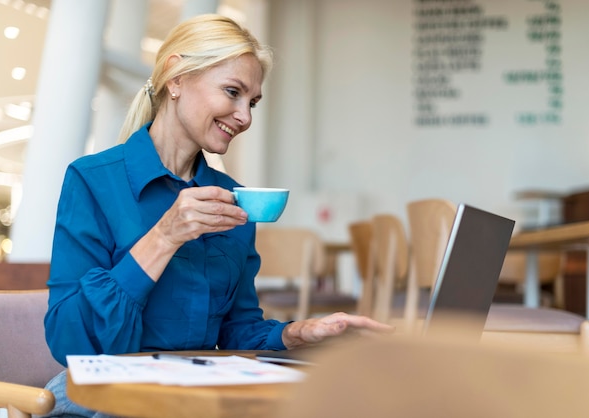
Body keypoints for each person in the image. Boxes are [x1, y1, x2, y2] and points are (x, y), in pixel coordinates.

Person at [40, 13, 393, 417]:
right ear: (176, 77)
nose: (245, 116)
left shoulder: (235, 200)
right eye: (232, 92)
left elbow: (237, 330)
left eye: (253, 102)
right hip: (105, 397)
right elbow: (71, 343)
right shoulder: (92, 180)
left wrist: (296, 333)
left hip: (197, 395)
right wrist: (164, 236)